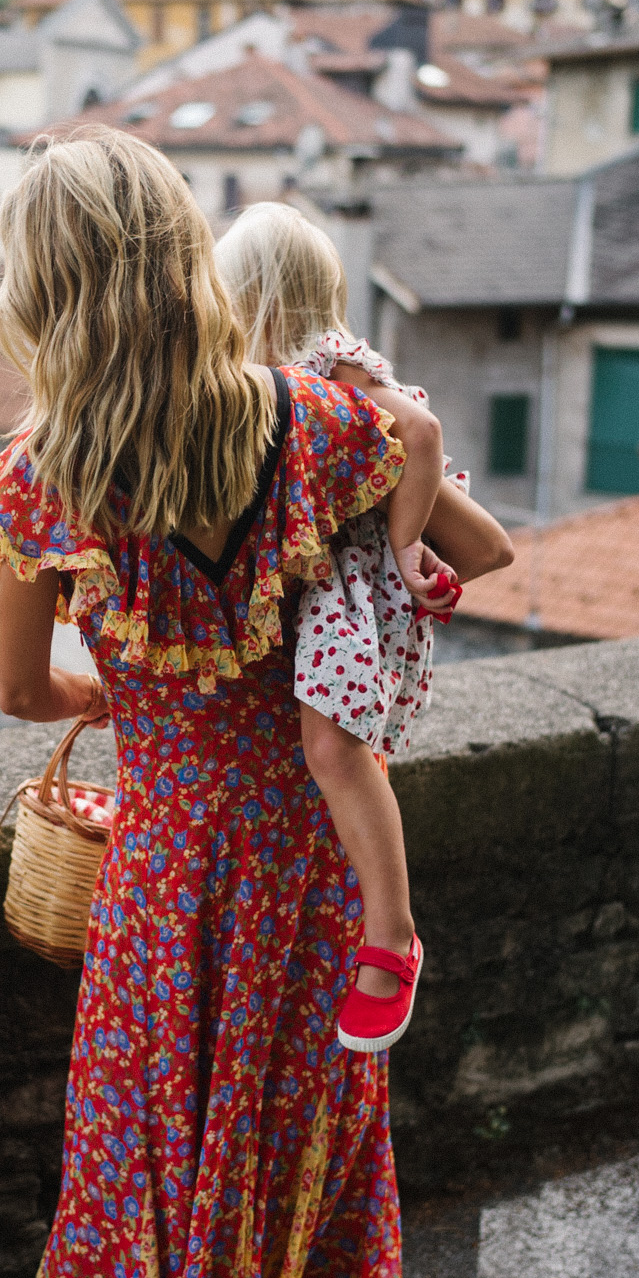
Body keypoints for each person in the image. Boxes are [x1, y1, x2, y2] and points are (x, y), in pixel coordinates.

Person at [0, 130, 450, 1278]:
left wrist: (148, 693)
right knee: (304, 1123)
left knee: (146, 1175)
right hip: (311, 858)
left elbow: (31, 697)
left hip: (166, 874)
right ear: (181, 250)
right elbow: (445, 499)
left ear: (44, 289)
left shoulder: (41, 481)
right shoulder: (319, 419)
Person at [216, 203, 514, 1052]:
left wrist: (407, 541)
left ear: (256, 300)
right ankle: (385, 935)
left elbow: (418, 432)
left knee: (336, 750)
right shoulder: (284, 382)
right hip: (335, 589)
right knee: (335, 749)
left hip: (352, 592)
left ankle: (392, 936)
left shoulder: (327, 367)